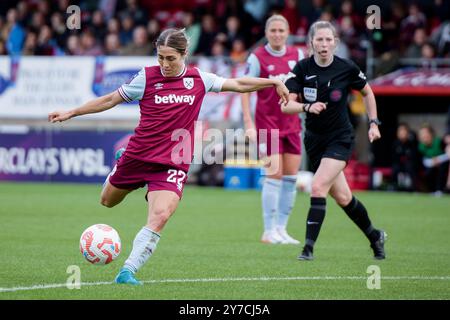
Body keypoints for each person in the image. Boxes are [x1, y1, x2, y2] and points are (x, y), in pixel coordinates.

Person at [48, 28, 290, 285]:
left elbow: (239, 84)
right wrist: (72, 112)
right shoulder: (146, 77)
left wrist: (273, 82)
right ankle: (121, 161)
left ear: (184, 54)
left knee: (161, 215)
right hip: (138, 155)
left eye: (170, 58)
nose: (164, 64)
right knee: (107, 202)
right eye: (160, 57)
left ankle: (127, 271)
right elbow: (110, 99)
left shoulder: (199, 79)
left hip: (173, 162)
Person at [282, 21, 387, 260]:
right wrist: (307, 106)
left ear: (336, 43)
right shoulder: (301, 68)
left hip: (340, 138)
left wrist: (374, 123)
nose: (324, 44)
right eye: (319, 39)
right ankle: (375, 236)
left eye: (329, 40)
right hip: (314, 141)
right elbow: (287, 105)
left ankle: (308, 249)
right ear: (311, 43)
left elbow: (368, 92)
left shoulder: (346, 68)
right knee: (343, 198)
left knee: (317, 186)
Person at [241, 14, 305, 245]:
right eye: (273, 31)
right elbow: (245, 89)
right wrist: (249, 122)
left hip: (292, 124)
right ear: (267, 33)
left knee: (290, 178)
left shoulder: (297, 55)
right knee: (273, 174)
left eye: (281, 30)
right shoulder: (257, 57)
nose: (277, 34)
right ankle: (268, 231)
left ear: (287, 32)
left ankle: (282, 229)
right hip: (267, 125)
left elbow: (301, 84)